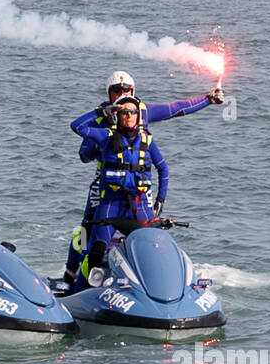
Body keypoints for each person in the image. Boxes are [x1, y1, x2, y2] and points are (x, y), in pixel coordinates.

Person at [60, 70, 223, 283]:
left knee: (149, 229)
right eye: (116, 90)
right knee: (86, 227)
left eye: (125, 90)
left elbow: (175, 109)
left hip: (138, 182)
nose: (121, 94)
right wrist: (104, 143)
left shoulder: (143, 112)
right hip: (106, 181)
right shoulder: (102, 117)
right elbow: (84, 154)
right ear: (108, 93)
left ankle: (148, 277)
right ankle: (71, 273)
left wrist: (208, 99)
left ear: (133, 91)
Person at [69, 96, 168, 290]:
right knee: (96, 251)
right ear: (118, 115)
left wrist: (160, 199)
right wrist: (100, 112)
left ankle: (156, 292)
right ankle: (78, 293)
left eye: (132, 112)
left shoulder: (147, 140)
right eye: (124, 112)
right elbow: (77, 126)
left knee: (154, 246)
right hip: (110, 205)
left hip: (138, 205)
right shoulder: (105, 136)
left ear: (138, 116)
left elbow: (163, 169)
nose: (129, 115)